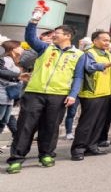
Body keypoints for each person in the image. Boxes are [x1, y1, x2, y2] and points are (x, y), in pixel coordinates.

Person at [6, 9, 84, 174]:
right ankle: (16, 159)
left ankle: (46, 155)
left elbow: (78, 77)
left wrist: (72, 94)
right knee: (25, 126)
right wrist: (34, 20)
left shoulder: (78, 54)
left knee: (51, 127)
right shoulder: (45, 48)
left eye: (57, 33)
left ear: (68, 36)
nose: (54, 35)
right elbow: (30, 38)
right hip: (35, 93)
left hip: (59, 95)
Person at [71, 30, 111, 161]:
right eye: (104, 40)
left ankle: (92, 146)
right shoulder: (89, 53)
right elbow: (90, 67)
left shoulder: (107, 53)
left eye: (108, 40)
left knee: (99, 122)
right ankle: (78, 149)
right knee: (87, 123)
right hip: (92, 94)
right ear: (95, 41)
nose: (107, 42)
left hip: (106, 93)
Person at [0, 40, 29, 149]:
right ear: (13, 48)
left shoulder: (14, 60)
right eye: (20, 47)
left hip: (9, 97)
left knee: (3, 123)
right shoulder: (5, 59)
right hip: (2, 95)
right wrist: (18, 76)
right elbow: (2, 73)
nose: (22, 49)